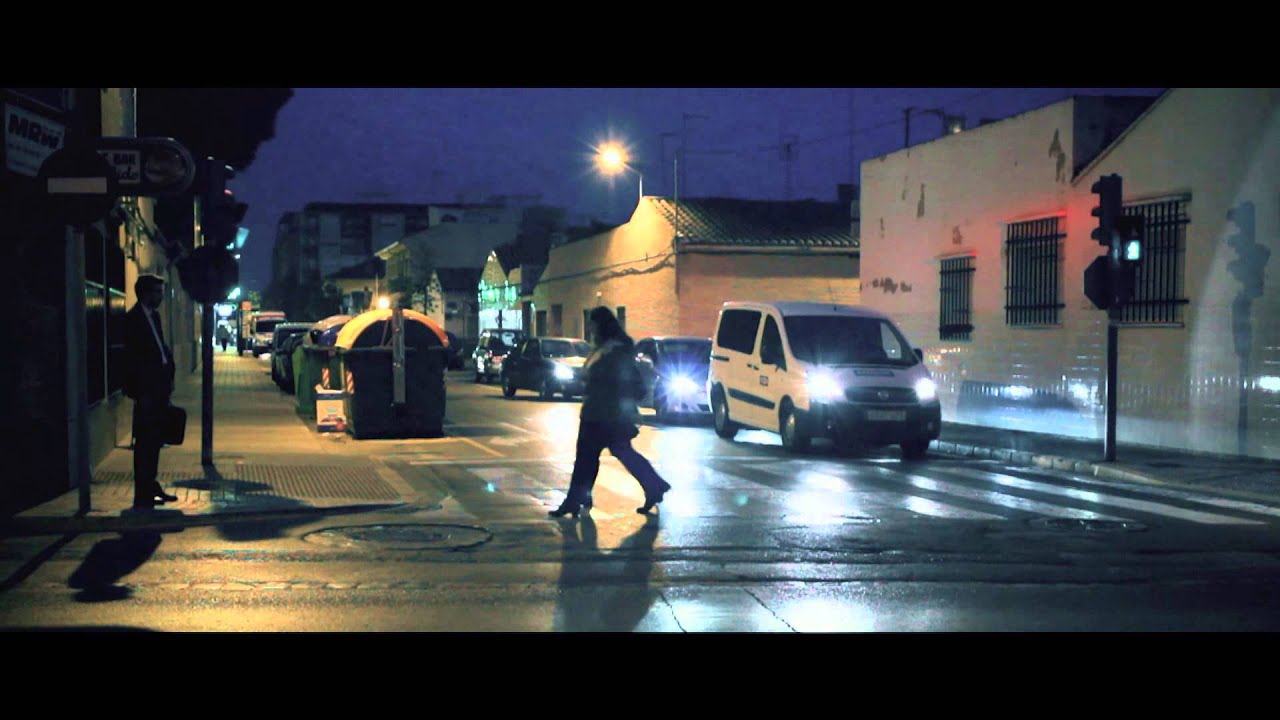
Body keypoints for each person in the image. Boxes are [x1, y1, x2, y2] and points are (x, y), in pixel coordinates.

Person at [550, 306, 671, 518]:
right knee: (615, 453)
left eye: (593, 324)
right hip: (601, 411)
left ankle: (576, 500)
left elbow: (616, 381)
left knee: (589, 457)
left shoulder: (614, 351)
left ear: (601, 325)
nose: (590, 328)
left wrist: (593, 380)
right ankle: (653, 486)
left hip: (604, 413)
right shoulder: (606, 348)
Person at [124, 274, 179, 510]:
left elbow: (159, 349)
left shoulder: (154, 317)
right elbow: (132, 359)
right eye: (158, 292)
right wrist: (140, 391)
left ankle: (150, 485)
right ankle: (143, 492)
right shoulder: (133, 320)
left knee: (155, 441)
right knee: (146, 442)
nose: (161, 297)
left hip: (159, 390)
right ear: (145, 293)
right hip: (147, 393)